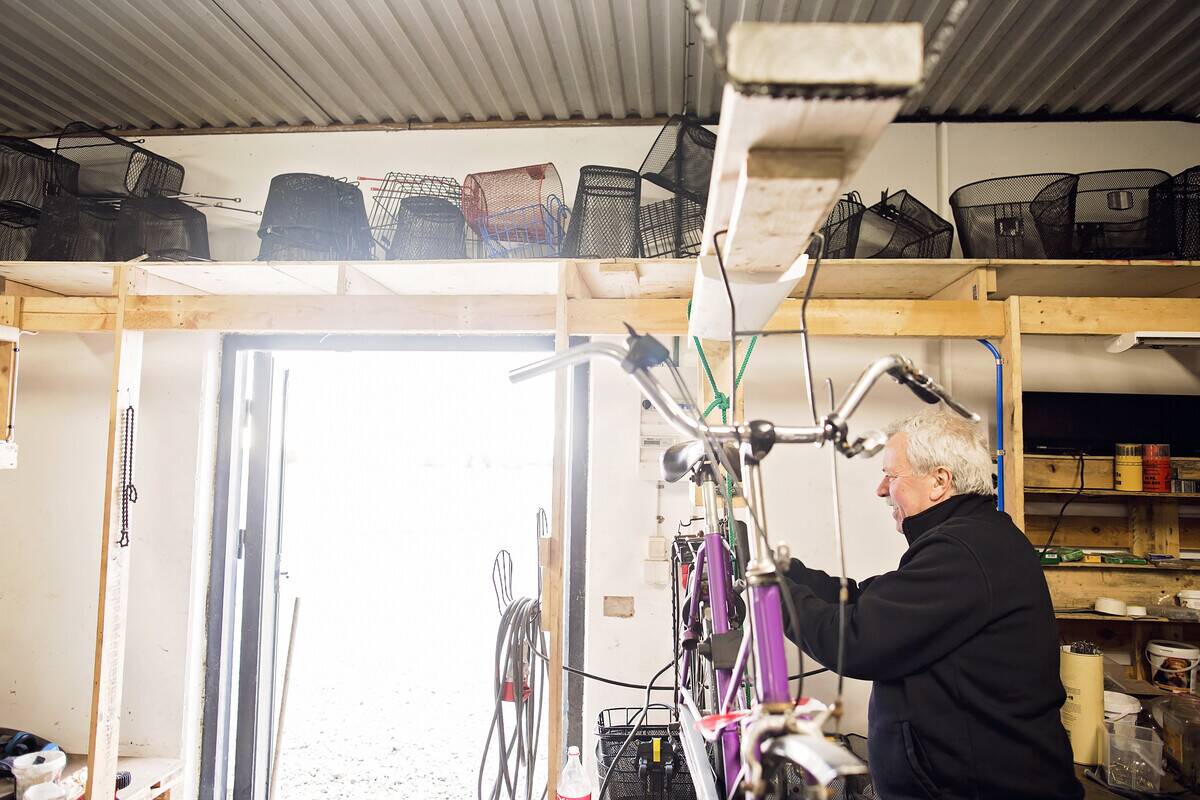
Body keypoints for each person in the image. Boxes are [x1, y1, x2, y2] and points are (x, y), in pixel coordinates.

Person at [783, 407, 1082, 799]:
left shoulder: (965, 550)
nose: (881, 489)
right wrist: (785, 572)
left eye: (891, 475)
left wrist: (771, 594)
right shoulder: (974, 539)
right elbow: (864, 600)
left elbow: (856, 640)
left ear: (940, 481)